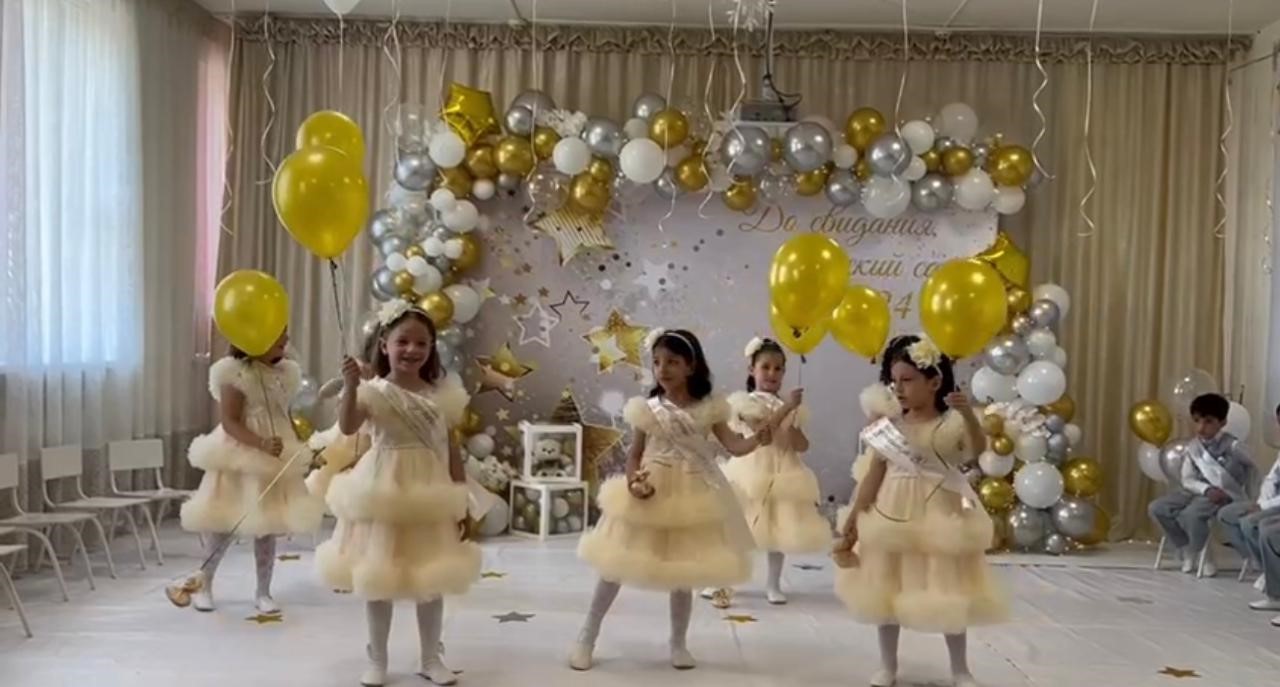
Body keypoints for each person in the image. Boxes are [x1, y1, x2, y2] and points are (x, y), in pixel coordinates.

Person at [569, 328, 770, 672]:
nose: (663, 369)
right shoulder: (648, 409)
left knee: (683, 569)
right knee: (616, 562)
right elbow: (634, 456)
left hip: (692, 492)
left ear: (691, 366)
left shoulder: (710, 408)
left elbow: (734, 446)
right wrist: (633, 481)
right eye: (658, 362)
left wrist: (757, 440)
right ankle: (587, 634)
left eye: (673, 362)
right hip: (651, 489)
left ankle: (678, 642)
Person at [317, 300, 481, 687]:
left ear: (432, 348)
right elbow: (348, 426)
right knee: (379, 575)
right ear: (384, 345)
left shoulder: (442, 393)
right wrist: (352, 385)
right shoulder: (375, 391)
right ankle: (378, 659)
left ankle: (430, 657)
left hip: (429, 491)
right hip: (383, 488)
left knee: (432, 575)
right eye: (402, 341)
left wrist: (461, 500)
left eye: (422, 343)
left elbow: (451, 449)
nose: (412, 350)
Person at [832, 335, 1007, 687]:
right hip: (892, 508)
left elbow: (976, 450)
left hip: (940, 510)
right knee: (886, 586)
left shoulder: (951, 423)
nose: (898, 389)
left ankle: (960, 669)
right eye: (894, 381)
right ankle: (888, 666)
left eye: (908, 380)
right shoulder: (889, 426)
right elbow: (873, 474)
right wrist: (854, 518)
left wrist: (967, 414)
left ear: (934, 382)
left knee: (948, 585)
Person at [169, 331, 324, 614]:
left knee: (267, 525)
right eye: (277, 334)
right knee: (224, 523)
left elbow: (284, 414)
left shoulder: (285, 373)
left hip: (274, 453)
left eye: (285, 333)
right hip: (241, 454)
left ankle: (263, 591)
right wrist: (260, 443)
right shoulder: (235, 373)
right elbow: (230, 421)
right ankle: (204, 583)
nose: (285, 339)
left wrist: (301, 448)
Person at [702, 337, 831, 608]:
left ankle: (773, 583)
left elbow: (801, 445)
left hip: (782, 471)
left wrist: (792, 424)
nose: (772, 374)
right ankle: (722, 578)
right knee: (737, 526)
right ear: (752, 370)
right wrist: (787, 408)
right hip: (751, 469)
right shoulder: (745, 403)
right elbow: (764, 433)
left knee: (778, 528)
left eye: (778, 368)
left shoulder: (791, 407)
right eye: (766, 367)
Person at [1148, 393, 1253, 576]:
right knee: (1157, 508)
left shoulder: (1234, 446)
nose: (1201, 427)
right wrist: (1205, 489)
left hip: (1223, 494)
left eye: (1208, 422)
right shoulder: (1193, 447)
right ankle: (1186, 547)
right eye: (1197, 421)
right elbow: (1187, 479)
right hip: (1196, 491)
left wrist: (1251, 499)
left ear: (1222, 422)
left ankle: (1205, 557)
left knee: (1192, 515)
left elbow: (1254, 471)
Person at [1218, 405, 1280, 595]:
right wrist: (1261, 502)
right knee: (1227, 515)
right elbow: (1271, 480)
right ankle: (1263, 566)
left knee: (1251, 523)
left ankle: (1273, 578)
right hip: (1270, 502)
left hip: (1275, 506)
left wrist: (1263, 507)